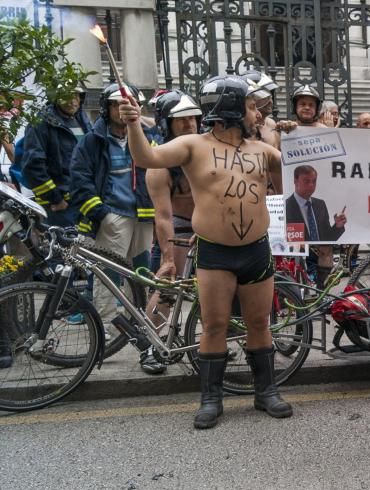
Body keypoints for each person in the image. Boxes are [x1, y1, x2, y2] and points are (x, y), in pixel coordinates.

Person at [124, 74, 291, 428]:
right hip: (215, 254)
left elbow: (306, 165)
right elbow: (147, 157)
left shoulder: (262, 151)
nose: (258, 112)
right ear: (230, 108)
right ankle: (211, 399)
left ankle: (267, 391)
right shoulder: (193, 146)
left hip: (256, 251)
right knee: (214, 325)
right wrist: (133, 124)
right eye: (250, 105)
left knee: (259, 323)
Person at [69, 82, 161, 374]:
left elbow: (159, 167)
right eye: (117, 105)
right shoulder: (92, 141)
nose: (124, 111)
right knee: (108, 276)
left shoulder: (147, 137)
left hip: (143, 216)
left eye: (130, 105)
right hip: (113, 216)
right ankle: (106, 329)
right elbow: (80, 177)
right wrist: (101, 212)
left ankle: (140, 321)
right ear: (107, 109)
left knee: (141, 274)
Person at [145, 91, 202, 329]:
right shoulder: (160, 165)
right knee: (169, 288)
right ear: (168, 124)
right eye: (181, 119)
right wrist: (168, 258)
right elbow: (163, 215)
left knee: (215, 289)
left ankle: (216, 341)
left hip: (209, 229)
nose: (189, 124)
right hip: (179, 231)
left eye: (192, 118)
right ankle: (151, 345)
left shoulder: (207, 151)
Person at [20, 82, 92, 227]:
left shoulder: (83, 121)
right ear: (56, 97)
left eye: (76, 95)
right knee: (65, 247)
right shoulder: (42, 122)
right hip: (61, 206)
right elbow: (33, 165)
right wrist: (55, 199)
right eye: (66, 96)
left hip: (86, 199)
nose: (72, 101)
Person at [285, 165, 347, 242]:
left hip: (323, 253)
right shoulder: (285, 207)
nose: (311, 185)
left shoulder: (320, 205)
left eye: (314, 181)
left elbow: (327, 239)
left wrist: (338, 226)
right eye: (306, 181)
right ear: (295, 181)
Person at [242, 70, 280, 148]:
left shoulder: (272, 124)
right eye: (263, 97)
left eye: (270, 97)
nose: (270, 101)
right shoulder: (240, 129)